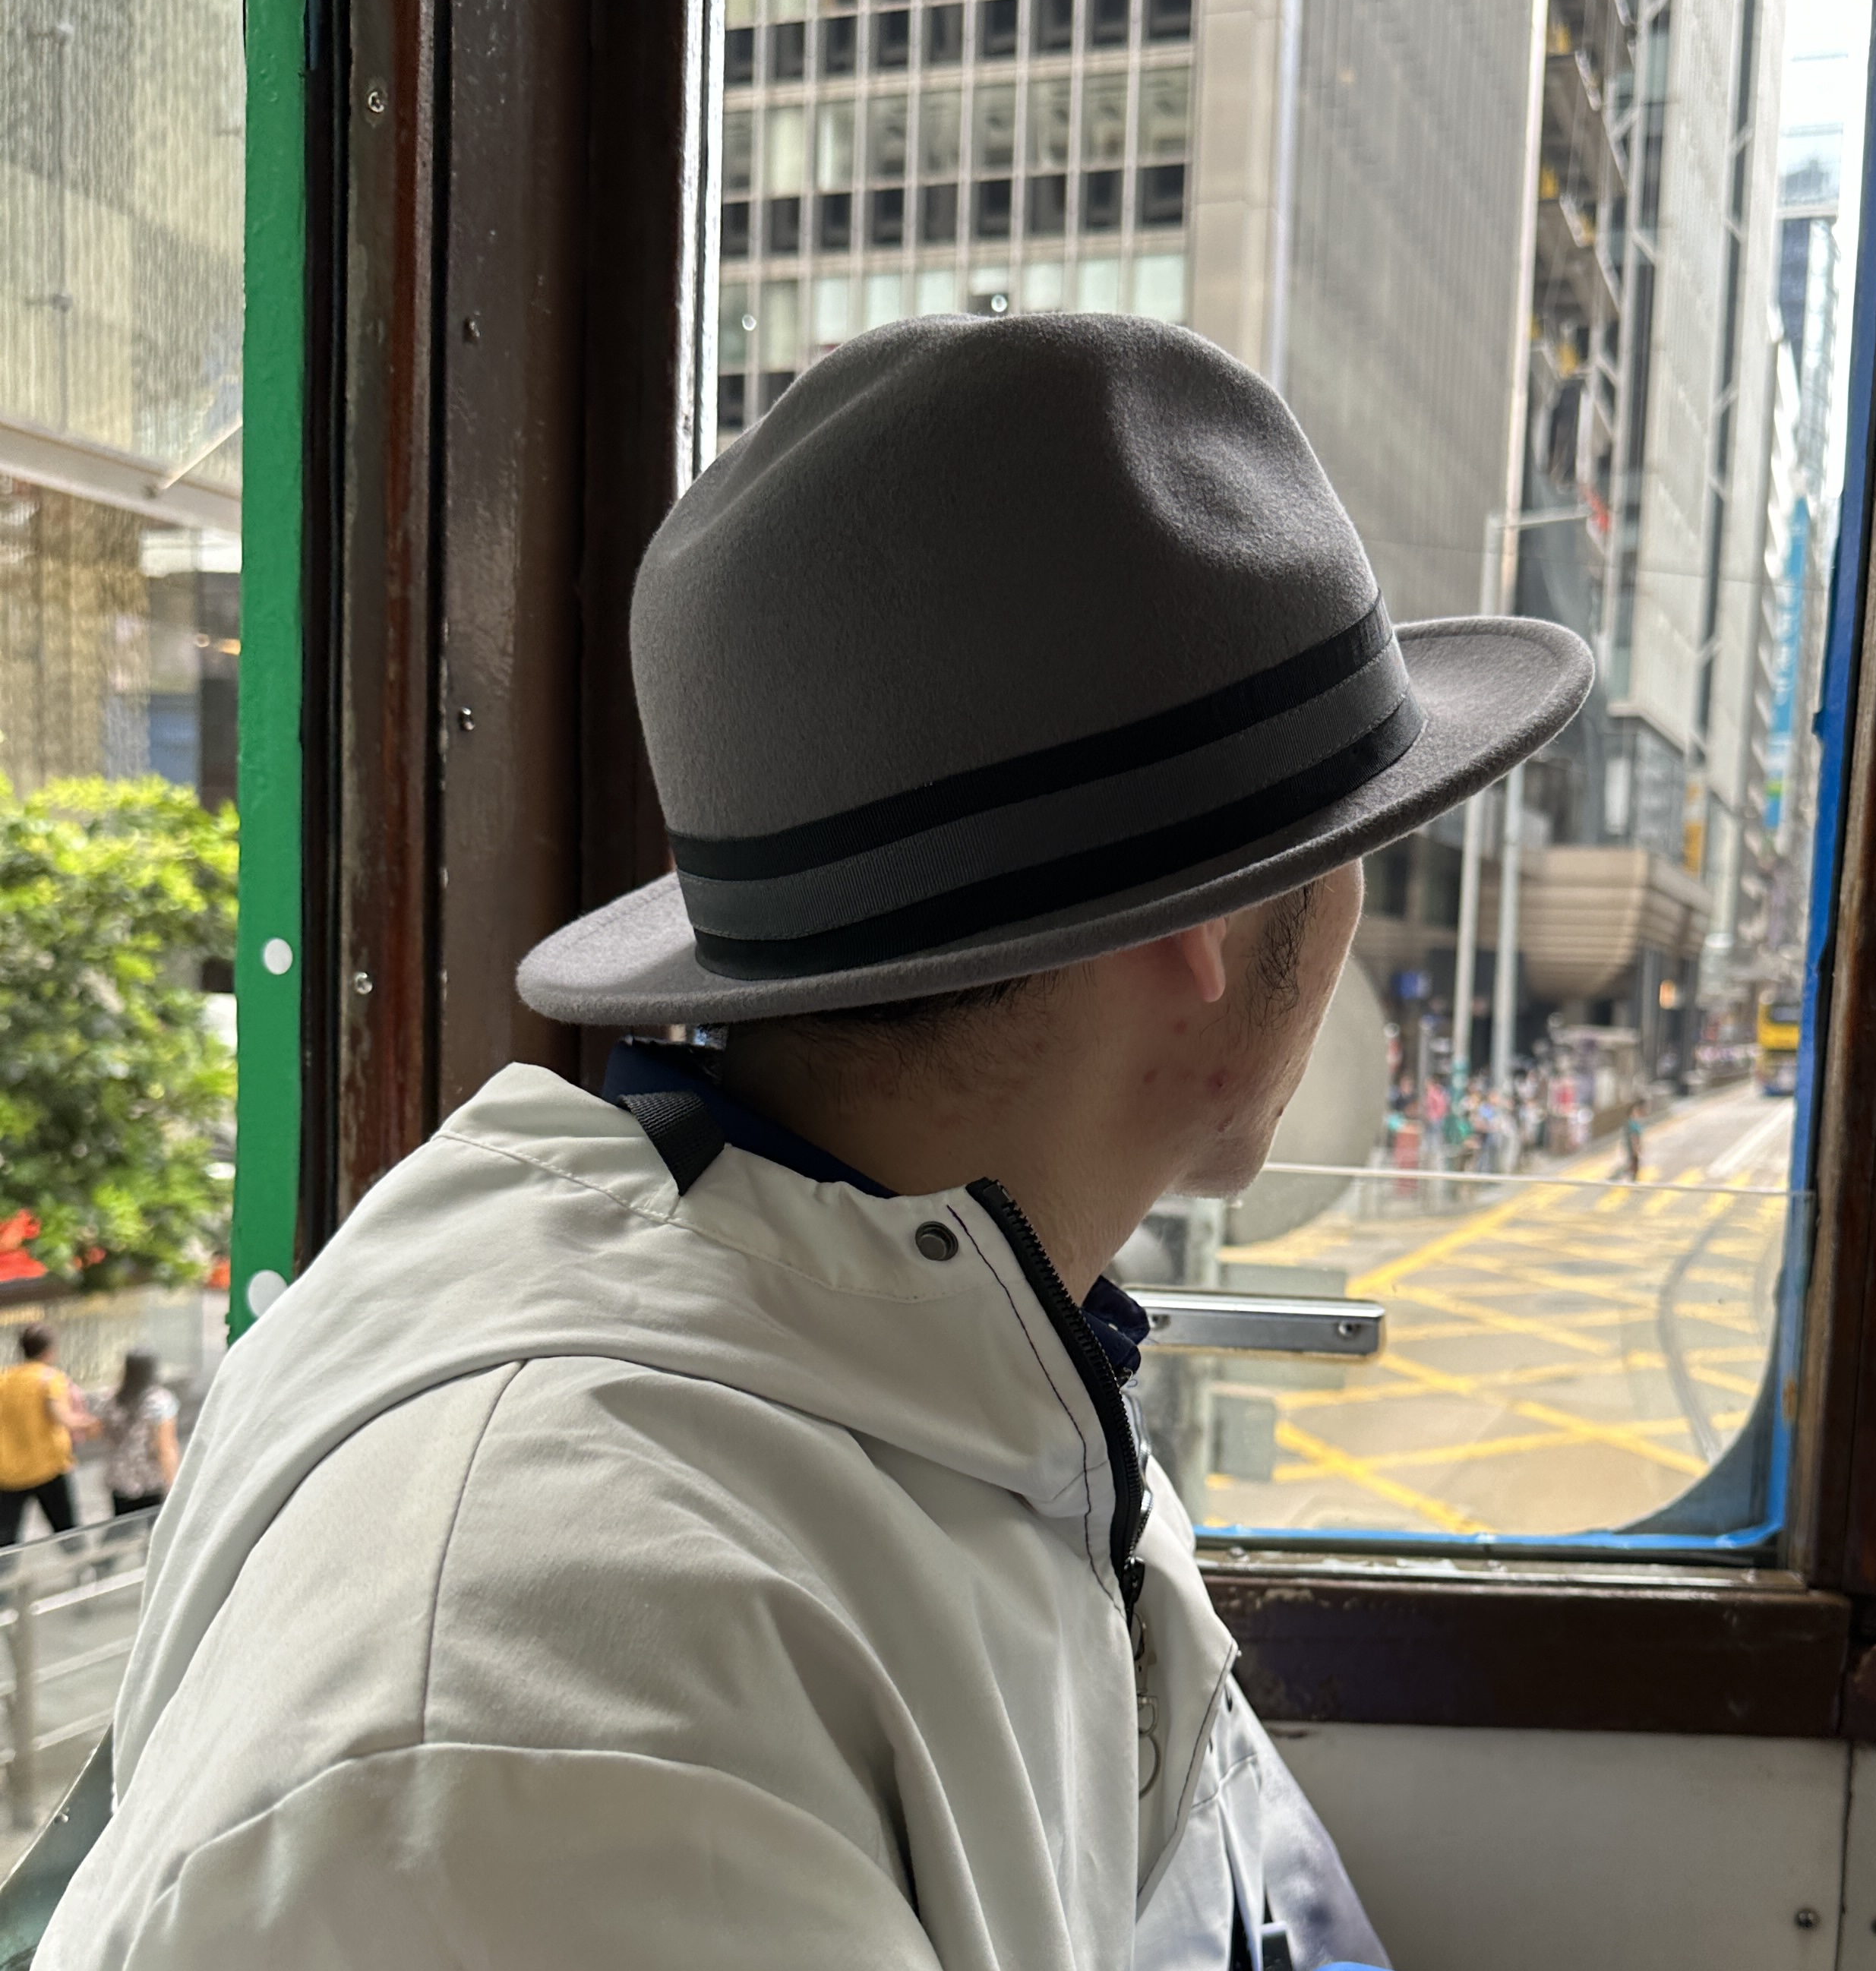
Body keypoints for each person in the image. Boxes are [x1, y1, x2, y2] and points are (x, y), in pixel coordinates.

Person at [43, 316, 1591, 1969]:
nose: (1352, 902)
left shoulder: (968, 1366)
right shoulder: (560, 1754)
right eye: (1354, 836)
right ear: (1207, 923)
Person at [0, 1325, 90, 1546]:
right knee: (66, 1529)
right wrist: (94, 1423)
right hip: (48, 1467)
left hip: (8, 1471)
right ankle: (79, 1563)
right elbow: (64, 1419)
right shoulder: (49, 1379)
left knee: (6, 1538)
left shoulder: (5, 1378)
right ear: (49, 1351)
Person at [98, 1349, 179, 1518]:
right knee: (155, 1526)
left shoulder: (111, 1398)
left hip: (120, 1478)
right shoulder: (160, 1402)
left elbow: (102, 1431)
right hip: (150, 1479)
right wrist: (173, 1483)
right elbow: (165, 1448)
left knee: (123, 1525)